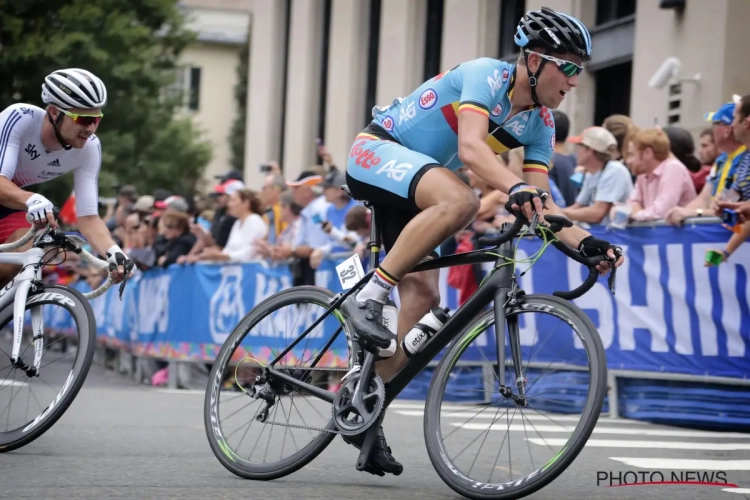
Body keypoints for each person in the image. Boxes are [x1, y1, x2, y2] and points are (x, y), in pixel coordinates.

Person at [341, 7, 624, 476]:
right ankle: (370, 295)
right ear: (533, 61)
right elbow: (472, 149)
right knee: (464, 202)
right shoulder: (485, 77)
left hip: (418, 184)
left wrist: (587, 243)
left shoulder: (541, 124)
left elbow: (543, 205)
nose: (574, 81)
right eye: (569, 67)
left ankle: (361, 404)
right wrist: (513, 188)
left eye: (580, 70)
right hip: (378, 152)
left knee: (427, 297)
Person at [0, 68, 132, 285]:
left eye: (97, 119)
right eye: (83, 119)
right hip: (6, 190)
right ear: (53, 112)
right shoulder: (20, 118)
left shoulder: (89, 148)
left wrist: (114, 252)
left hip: (10, 202)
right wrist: (32, 198)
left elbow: (88, 218)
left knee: (23, 256)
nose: (90, 128)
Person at [665, 102, 748, 226]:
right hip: (723, 235)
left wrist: (694, 213)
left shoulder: (746, 160)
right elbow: (704, 199)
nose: (712, 129)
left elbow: (732, 210)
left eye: (715, 124)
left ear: (727, 130)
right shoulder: (721, 161)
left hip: (737, 236)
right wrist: (680, 212)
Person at [618, 128, 696, 222]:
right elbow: (632, 203)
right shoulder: (643, 173)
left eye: (631, 154)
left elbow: (660, 212)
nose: (628, 161)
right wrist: (633, 213)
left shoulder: (674, 168)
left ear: (647, 153)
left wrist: (633, 215)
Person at [562, 126, 633, 225]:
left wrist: (559, 213)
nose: (577, 152)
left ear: (590, 151)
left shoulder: (614, 171)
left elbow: (597, 214)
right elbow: (577, 206)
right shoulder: (590, 174)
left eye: (580, 147)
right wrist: (555, 214)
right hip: (603, 235)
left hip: (616, 238)